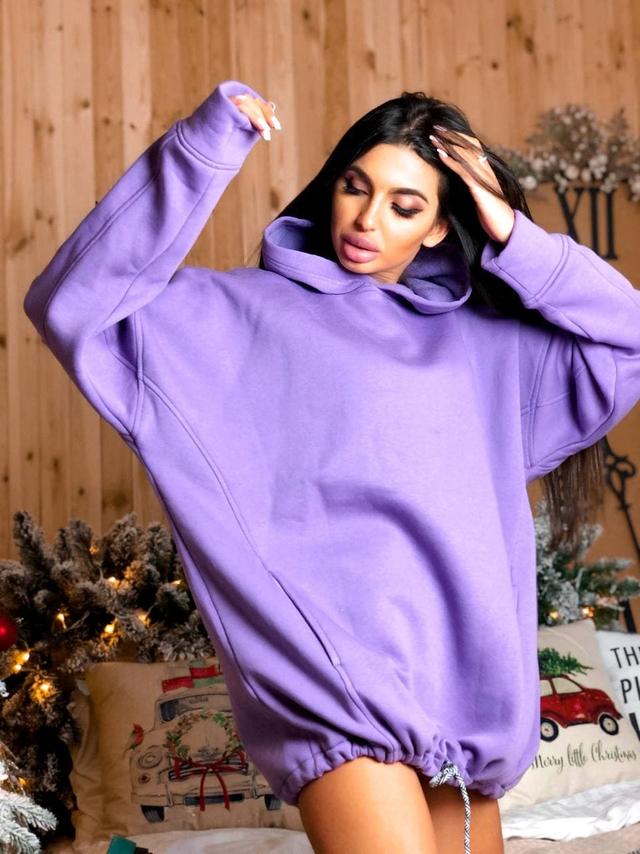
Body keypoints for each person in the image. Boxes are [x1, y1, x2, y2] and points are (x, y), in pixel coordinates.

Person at [22, 79, 640, 854]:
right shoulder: (233, 318)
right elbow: (72, 303)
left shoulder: (487, 346)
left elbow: (628, 337)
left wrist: (515, 234)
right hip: (337, 697)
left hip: (464, 709)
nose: (368, 219)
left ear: (441, 227)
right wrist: (202, 148)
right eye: (356, 186)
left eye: (404, 206)